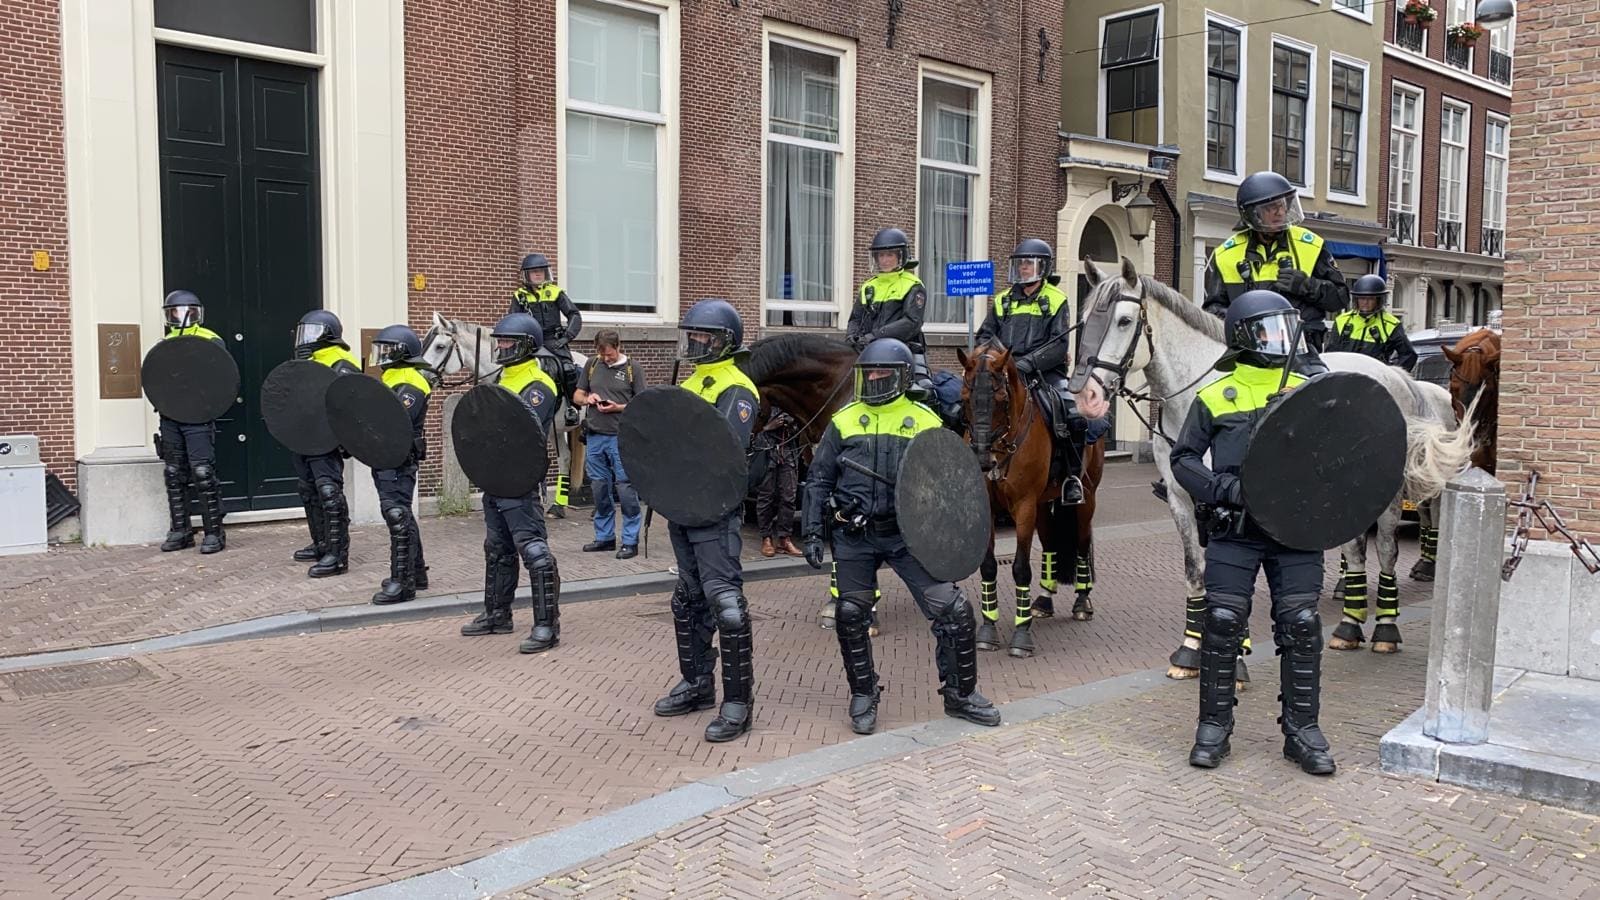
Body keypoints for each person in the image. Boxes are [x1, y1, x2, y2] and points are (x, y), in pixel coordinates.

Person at [1169, 289, 1336, 776]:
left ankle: (1303, 732)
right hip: (1235, 529)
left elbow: (1339, 456)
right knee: (1222, 622)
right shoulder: (1215, 394)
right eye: (1269, 330)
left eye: (1286, 327)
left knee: (1301, 624)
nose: (1282, 338)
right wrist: (1227, 488)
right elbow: (1183, 459)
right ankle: (1213, 728)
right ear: (1243, 336)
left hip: (1295, 532)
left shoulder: (1312, 388)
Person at [802, 338, 1002, 734]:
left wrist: (953, 537)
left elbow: (947, 484)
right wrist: (811, 532)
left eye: (883, 372)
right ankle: (863, 694)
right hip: (855, 535)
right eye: (869, 372)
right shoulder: (844, 419)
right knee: (851, 614)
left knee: (954, 611)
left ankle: (961, 695)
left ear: (902, 377)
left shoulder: (924, 419)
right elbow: (819, 479)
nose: (875, 377)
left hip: (908, 536)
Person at [651, 298, 761, 743]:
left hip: (714, 510)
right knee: (688, 599)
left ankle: (738, 703)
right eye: (691, 334)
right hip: (682, 505)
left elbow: (723, 448)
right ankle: (696, 683)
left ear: (725, 341)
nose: (694, 342)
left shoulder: (737, 388)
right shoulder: (692, 381)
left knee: (725, 603)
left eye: (703, 336)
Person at [458, 313, 564, 654]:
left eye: (508, 341)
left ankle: (547, 625)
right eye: (499, 340)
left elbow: (520, 432)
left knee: (533, 550)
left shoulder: (539, 385)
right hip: (493, 476)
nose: (501, 346)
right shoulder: (501, 380)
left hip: (520, 479)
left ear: (527, 346)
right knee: (497, 549)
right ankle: (497, 614)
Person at [975, 238, 1091, 506]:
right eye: (1020, 263)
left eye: (1029, 263)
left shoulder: (1056, 299)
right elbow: (984, 336)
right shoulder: (1003, 300)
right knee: (972, 408)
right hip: (1004, 373)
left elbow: (1059, 345)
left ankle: (1072, 479)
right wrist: (996, 361)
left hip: (1045, 373)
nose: (1023, 268)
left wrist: (1026, 364)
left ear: (1044, 268)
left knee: (1073, 416)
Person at [1201, 172, 1349, 361]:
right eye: (1271, 207)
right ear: (1252, 213)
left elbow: (1341, 298)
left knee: (1319, 380)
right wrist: (1242, 320)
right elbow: (1213, 309)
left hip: (1302, 351)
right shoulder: (1226, 254)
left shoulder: (1311, 245)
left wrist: (1306, 285)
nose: (1280, 212)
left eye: (1283, 205)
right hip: (1247, 352)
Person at [368, 325, 437, 605]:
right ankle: (416, 573)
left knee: (397, 516)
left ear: (402, 352)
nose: (382, 355)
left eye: (388, 350)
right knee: (402, 515)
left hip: (398, 460)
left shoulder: (411, 383)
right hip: (386, 457)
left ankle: (403, 583)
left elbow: (394, 423)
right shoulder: (393, 378)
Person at [290, 310, 362, 577]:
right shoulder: (306, 361)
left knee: (329, 493)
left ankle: (337, 554)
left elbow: (348, 403)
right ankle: (320, 543)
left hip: (326, 440)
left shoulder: (341, 363)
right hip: (304, 436)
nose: (305, 338)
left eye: (311, 332)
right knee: (308, 490)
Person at [156, 290, 229, 555]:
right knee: (173, 472)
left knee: (202, 472)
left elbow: (221, 378)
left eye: (186, 311)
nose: (181, 316)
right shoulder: (164, 343)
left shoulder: (211, 340)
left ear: (197, 313)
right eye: (175, 311)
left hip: (198, 417)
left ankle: (214, 532)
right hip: (170, 416)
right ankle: (181, 530)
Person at [574, 329, 646, 560]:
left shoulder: (633, 369)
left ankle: (630, 540)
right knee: (599, 488)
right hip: (595, 436)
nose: (606, 358)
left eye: (610, 354)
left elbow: (642, 403)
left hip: (620, 437)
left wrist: (618, 407)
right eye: (602, 354)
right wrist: (588, 399)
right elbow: (577, 396)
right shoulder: (592, 365)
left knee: (625, 488)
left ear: (618, 346)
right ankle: (605, 537)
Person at [847, 227, 934, 399]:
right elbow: (855, 318)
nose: (885, 260)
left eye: (890, 255)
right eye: (881, 255)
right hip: (868, 348)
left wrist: (875, 336)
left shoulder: (913, 285)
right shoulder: (868, 286)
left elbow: (911, 322)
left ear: (900, 257)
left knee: (925, 389)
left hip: (904, 350)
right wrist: (851, 336)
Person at [1326, 274, 1418, 370]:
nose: (1365, 302)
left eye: (1370, 299)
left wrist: (1390, 374)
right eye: (1362, 298)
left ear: (1379, 300)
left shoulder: (1391, 324)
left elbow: (1409, 355)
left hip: (1374, 377)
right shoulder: (1342, 320)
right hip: (1345, 374)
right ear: (1356, 299)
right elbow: (1331, 354)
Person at [755, 409, 803, 558]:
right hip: (766, 450)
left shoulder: (789, 403)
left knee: (789, 496)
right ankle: (766, 538)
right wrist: (768, 427)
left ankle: (784, 539)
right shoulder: (763, 403)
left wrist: (792, 424)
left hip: (787, 449)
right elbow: (752, 430)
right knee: (766, 496)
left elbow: (800, 429)